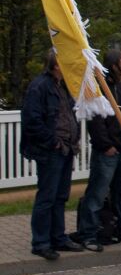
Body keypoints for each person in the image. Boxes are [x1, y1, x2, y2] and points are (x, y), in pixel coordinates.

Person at [20, 50, 83, 260]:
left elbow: (69, 115)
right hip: (52, 151)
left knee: (60, 196)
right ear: (56, 66)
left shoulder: (62, 87)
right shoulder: (39, 87)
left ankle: (58, 237)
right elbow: (32, 121)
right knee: (47, 196)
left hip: (65, 149)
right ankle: (41, 242)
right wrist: (53, 142)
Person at [77, 50, 121, 251]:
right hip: (107, 152)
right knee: (97, 192)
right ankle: (89, 234)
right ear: (114, 66)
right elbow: (96, 120)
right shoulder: (99, 89)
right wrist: (106, 145)